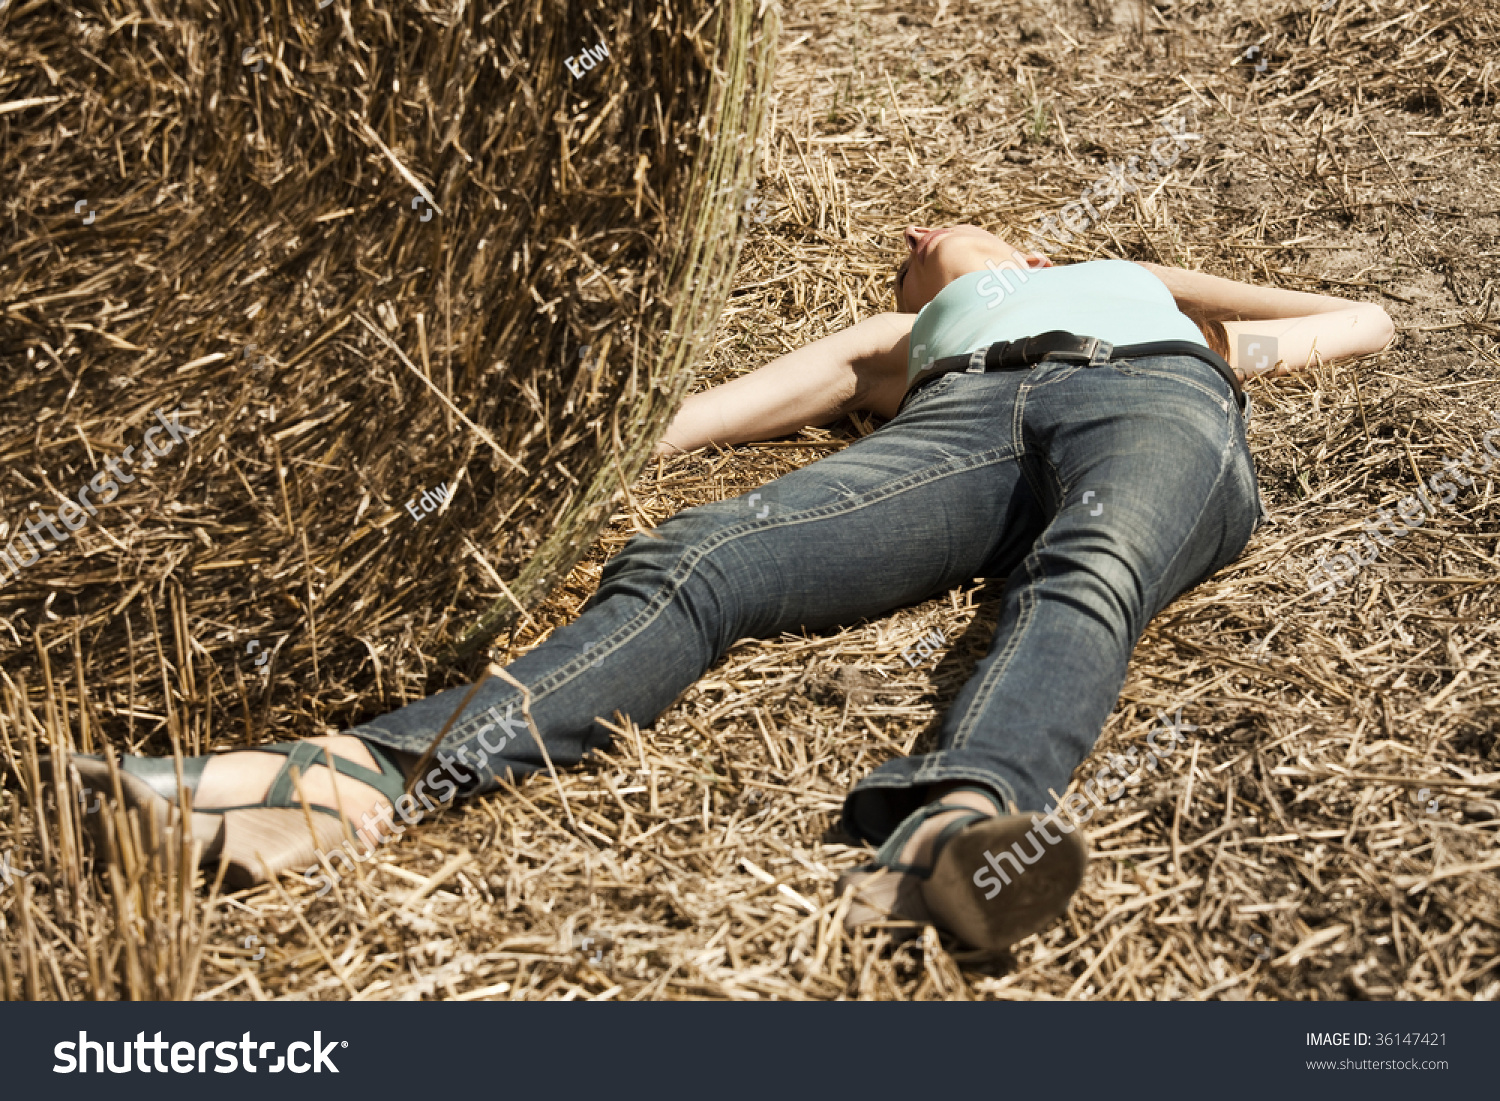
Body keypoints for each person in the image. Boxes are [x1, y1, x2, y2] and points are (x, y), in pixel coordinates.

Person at [56, 224, 1393, 951]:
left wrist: (1220, 356)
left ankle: (956, 830)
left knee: (1089, 571)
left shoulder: (1122, 272)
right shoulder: (899, 343)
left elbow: (1360, 316)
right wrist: (544, 447)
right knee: (700, 555)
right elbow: (692, 421)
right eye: (904, 250)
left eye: (936, 225)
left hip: (1154, 394)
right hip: (962, 423)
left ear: (1023, 241)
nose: (914, 231)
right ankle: (369, 775)